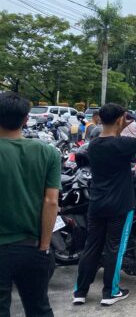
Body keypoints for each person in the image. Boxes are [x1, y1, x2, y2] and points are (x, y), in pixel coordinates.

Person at [73, 103, 136, 306]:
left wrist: (119, 123)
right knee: (114, 248)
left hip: (96, 203)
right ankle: (110, 293)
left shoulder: (93, 145)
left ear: (100, 119)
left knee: (91, 247)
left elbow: (112, 137)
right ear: (120, 119)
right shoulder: (124, 145)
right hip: (120, 204)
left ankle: (80, 292)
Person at [0, 92, 60, 317]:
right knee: (39, 309)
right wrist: (44, 246)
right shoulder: (48, 153)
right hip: (33, 246)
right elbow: (51, 201)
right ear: (26, 119)